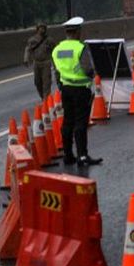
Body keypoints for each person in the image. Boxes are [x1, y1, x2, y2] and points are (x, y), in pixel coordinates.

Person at [51, 17, 102, 167]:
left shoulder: (57, 49)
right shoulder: (80, 47)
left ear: (67, 32)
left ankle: (68, 155)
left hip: (66, 89)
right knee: (80, 122)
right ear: (78, 31)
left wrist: (62, 86)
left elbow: (57, 71)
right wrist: (93, 74)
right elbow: (87, 69)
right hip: (81, 89)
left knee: (68, 121)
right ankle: (82, 156)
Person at [24, 22, 56, 100]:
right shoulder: (32, 40)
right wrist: (26, 59)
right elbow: (28, 49)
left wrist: (55, 64)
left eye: (43, 28)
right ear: (37, 29)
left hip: (46, 63)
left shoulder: (49, 40)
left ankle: (46, 99)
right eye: (40, 28)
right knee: (38, 82)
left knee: (46, 82)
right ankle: (43, 97)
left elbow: (55, 51)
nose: (42, 29)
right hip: (37, 63)